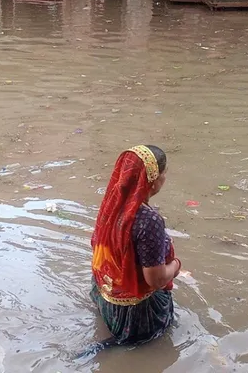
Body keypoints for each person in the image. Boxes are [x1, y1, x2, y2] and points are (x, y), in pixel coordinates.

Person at [90, 145, 181, 346]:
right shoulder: (148, 220)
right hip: (136, 314)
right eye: (164, 173)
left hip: (105, 293)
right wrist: (176, 264)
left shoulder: (111, 204)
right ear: (154, 180)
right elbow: (155, 280)